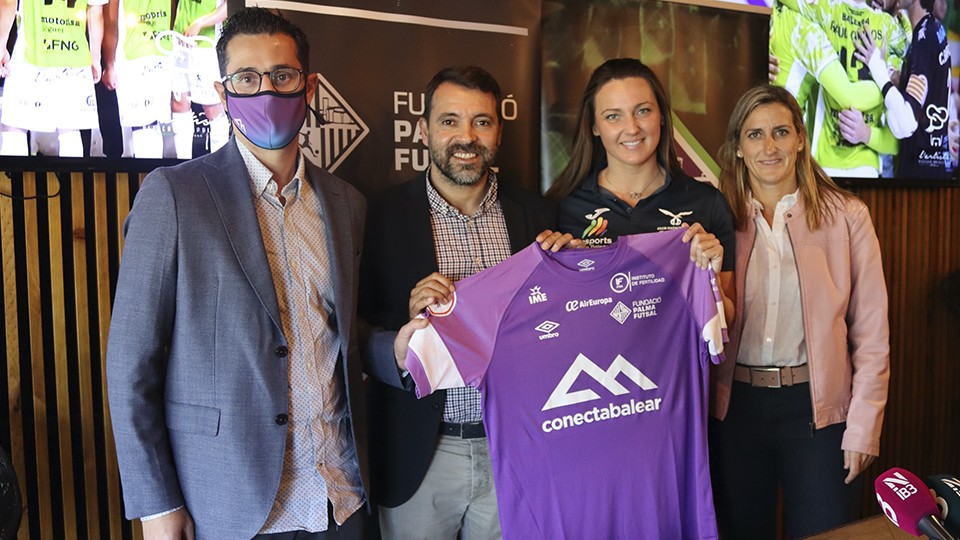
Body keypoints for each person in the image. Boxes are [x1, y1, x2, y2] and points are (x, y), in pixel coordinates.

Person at [107, 7, 368, 539]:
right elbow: (130, 365)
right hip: (231, 507)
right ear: (224, 95)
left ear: (310, 87)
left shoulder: (347, 204)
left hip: (339, 501)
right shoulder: (174, 196)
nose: (265, 91)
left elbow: (341, 338)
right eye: (246, 79)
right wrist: (156, 505)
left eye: (282, 76)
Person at [359, 65, 577, 540]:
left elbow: (562, 328)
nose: (467, 136)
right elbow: (353, 332)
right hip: (422, 454)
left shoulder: (539, 216)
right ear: (423, 130)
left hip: (517, 449)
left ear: (499, 131)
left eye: (481, 121)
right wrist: (404, 326)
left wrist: (570, 275)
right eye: (450, 121)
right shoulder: (378, 216)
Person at [710, 84, 890, 539]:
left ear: (800, 139)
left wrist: (864, 426)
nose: (768, 147)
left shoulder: (847, 216)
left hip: (818, 413)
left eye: (780, 132)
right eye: (754, 135)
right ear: (736, 148)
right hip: (735, 410)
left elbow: (871, 333)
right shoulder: (715, 216)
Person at [545, 57, 735, 320]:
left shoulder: (707, 203)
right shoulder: (560, 207)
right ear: (594, 127)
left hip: (676, 362)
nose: (632, 128)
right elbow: (547, 312)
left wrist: (710, 279)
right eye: (613, 116)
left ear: (662, 117)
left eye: (643, 111)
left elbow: (728, 318)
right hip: (594, 362)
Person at [0, 0, 106, 157]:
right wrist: (95, 56)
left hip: (30, 56)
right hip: (73, 57)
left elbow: (8, 3)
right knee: (70, 131)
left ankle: (14, 181)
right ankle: (72, 181)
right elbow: (96, 11)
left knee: (14, 129)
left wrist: (1, 45)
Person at [102, 0, 175, 158]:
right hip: (162, 50)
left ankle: (147, 178)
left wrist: (109, 65)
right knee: (155, 124)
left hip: (133, 57)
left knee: (144, 125)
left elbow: (111, 21)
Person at [169, 0, 229, 159]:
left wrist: (200, 23)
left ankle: (221, 166)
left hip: (207, 44)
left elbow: (232, 6)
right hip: (179, 38)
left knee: (213, 109)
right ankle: (181, 164)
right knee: (179, 103)